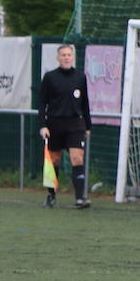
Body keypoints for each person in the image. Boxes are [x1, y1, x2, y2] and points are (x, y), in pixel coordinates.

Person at [38, 44, 92, 209]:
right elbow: (41, 103)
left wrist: (87, 126)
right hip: (55, 123)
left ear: (73, 57)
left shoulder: (80, 77)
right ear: (58, 57)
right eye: (63, 55)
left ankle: (80, 198)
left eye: (69, 55)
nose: (66, 57)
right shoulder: (49, 77)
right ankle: (51, 195)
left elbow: (85, 103)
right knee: (54, 160)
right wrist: (43, 125)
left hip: (75, 124)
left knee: (77, 158)